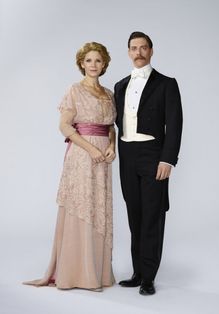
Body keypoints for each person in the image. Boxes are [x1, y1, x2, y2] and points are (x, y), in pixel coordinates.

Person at [23, 42, 116, 291]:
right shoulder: (74, 90)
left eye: (98, 60)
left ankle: (98, 273)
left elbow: (111, 127)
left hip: (103, 161)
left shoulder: (109, 93)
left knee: (98, 210)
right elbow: (64, 126)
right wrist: (91, 148)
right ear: (81, 64)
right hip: (82, 156)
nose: (93, 65)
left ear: (104, 64)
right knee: (82, 206)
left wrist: (112, 147)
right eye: (88, 61)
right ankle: (79, 275)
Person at [114, 31, 183, 295]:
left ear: (151, 51)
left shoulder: (166, 83)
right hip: (127, 155)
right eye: (134, 48)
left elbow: (175, 124)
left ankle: (149, 277)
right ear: (129, 52)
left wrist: (168, 159)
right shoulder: (120, 85)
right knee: (135, 214)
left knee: (153, 215)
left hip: (153, 154)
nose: (139, 52)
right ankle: (137, 272)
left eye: (144, 47)